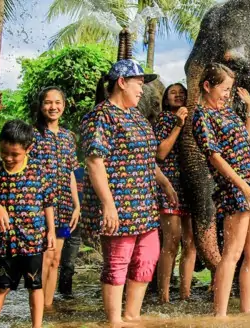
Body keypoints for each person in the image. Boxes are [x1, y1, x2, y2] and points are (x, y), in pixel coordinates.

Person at [80, 59, 177, 325]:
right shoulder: (99, 116)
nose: (142, 90)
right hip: (118, 204)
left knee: (147, 258)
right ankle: (114, 321)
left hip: (144, 203)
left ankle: (131, 316)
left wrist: (164, 182)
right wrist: (108, 205)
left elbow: (147, 157)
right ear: (121, 83)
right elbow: (93, 161)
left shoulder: (136, 117)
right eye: (138, 84)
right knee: (118, 262)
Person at [192, 63, 250, 317]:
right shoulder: (201, 116)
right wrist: (243, 188)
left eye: (229, 89)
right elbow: (214, 157)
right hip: (236, 187)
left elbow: (245, 144)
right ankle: (220, 316)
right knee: (233, 253)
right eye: (224, 89)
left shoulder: (227, 112)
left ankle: (247, 312)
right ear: (207, 86)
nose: (228, 94)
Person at [0, 120, 56, 328]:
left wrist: (51, 231)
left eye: (14, 154)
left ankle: (37, 326)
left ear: (28, 149)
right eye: (4, 152)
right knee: (1, 285)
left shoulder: (39, 170)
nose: (8, 158)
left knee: (35, 285)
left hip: (33, 240)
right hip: (6, 241)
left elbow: (48, 202)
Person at [30, 86, 80, 308]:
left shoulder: (69, 137)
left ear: (64, 105)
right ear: (41, 106)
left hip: (65, 206)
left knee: (56, 259)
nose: (53, 107)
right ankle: (37, 309)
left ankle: (48, 308)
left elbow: (70, 173)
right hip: (40, 207)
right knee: (44, 259)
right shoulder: (32, 135)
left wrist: (77, 205)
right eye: (48, 102)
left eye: (57, 102)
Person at [153, 83, 197, 303]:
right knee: (171, 241)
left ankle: (186, 294)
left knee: (190, 242)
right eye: (173, 92)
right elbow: (160, 153)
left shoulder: (195, 118)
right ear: (166, 99)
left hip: (190, 185)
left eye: (182, 92)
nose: (178, 95)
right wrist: (178, 125)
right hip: (168, 185)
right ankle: (164, 296)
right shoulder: (163, 120)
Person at [58, 166, 85, 297]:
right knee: (53, 258)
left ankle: (65, 294)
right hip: (60, 222)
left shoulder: (85, 173)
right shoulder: (62, 171)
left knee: (69, 263)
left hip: (75, 225)